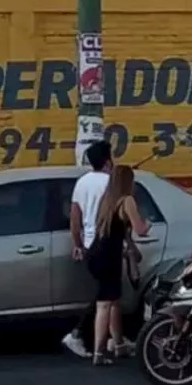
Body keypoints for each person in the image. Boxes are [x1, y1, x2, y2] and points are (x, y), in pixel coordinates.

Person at [85, 165, 152, 364]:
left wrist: (130, 248)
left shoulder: (108, 200)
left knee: (113, 301)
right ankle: (99, 352)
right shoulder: (127, 200)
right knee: (105, 304)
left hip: (97, 254)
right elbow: (141, 230)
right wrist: (147, 222)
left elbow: (118, 231)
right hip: (108, 258)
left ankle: (118, 344)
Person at [63, 140, 115, 358]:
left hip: (89, 244)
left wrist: (77, 244)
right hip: (107, 242)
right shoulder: (110, 183)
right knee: (106, 296)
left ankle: (115, 338)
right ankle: (80, 335)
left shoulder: (82, 182)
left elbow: (75, 217)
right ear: (108, 160)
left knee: (109, 294)